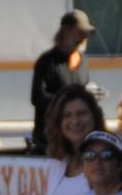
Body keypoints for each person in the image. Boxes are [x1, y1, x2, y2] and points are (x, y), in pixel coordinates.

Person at [33, 10, 95, 151]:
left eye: (87, 34)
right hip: (50, 141)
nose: (84, 38)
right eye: (80, 32)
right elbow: (37, 97)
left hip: (78, 139)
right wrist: (66, 102)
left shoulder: (83, 61)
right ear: (66, 31)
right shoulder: (48, 62)